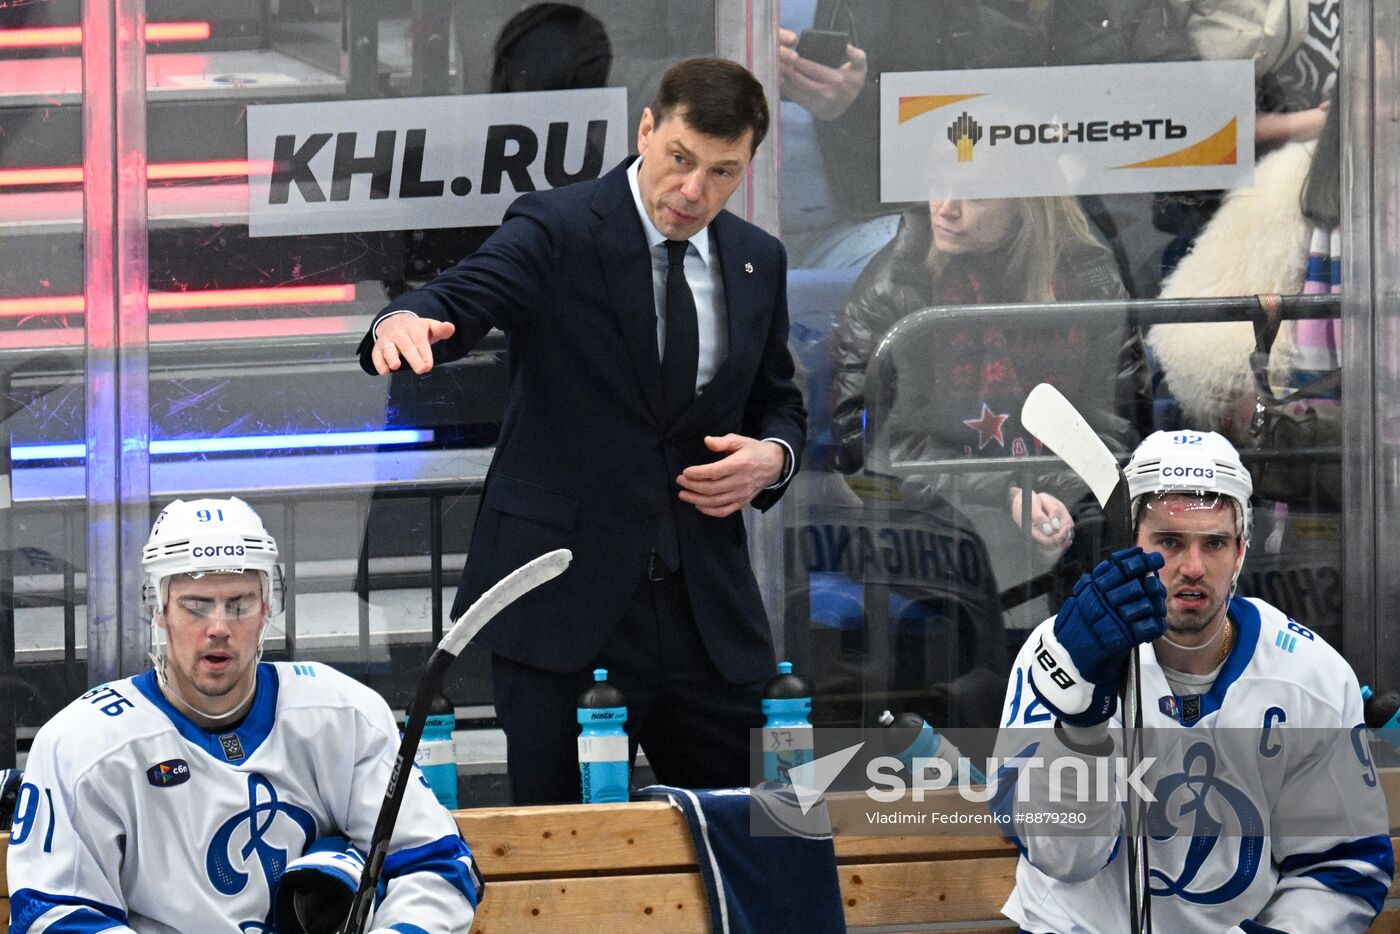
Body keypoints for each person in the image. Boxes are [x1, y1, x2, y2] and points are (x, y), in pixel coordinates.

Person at [358, 58, 807, 804]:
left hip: (707, 616)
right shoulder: (559, 227)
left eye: (723, 173)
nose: (694, 191)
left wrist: (771, 458)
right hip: (565, 607)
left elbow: (778, 405)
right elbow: (468, 291)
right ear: (646, 131)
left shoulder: (759, 260)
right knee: (560, 858)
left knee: (756, 840)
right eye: (680, 160)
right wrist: (402, 319)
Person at [7, 497, 481, 933]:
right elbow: (58, 916)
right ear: (158, 608)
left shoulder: (341, 714)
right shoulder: (83, 744)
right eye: (196, 606)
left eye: (239, 605)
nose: (218, 627)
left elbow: (435, 865)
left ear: (267, 606)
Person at [995, 430, 1393, 931]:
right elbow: (1063, 858)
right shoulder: (1058, 651)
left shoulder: (1311, 675)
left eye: (1215, 543)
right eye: (1169, 542)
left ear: (1241, 552)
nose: (1194, 567)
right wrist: (1081, 723)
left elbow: (1339, 867)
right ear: (1130, 545)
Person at [829, 196, 1143, 565]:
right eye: (937, 185)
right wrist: (1006, 493)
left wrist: (1063, 498)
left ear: (1024, 203)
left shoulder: (1089, 277)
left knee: (1097, 541)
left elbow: (1117, 428)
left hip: (1064, 491)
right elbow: (865, 444)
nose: (945, 208)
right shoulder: (895, 284)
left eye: (974, 197)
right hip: (933, 508)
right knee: (979, 543)